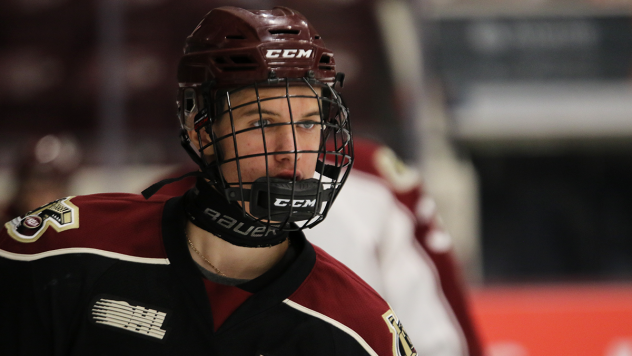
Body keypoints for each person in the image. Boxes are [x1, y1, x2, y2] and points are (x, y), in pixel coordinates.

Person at [0, 6, 417, 356]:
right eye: (261, 122)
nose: (290, 149)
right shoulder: (61, 254)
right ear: (202, 130)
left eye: (308, 124)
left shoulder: (361, 332)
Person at [156, 138, 483, 356]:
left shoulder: (375, 183)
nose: (286, 143)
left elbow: (437, 342)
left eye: (307, 118)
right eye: (259, 121)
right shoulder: (154, 210)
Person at [0, 134, 81, 224]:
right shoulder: (6, 224)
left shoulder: (80, 225)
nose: (41, 200)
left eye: (50, 188)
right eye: (32, 189)